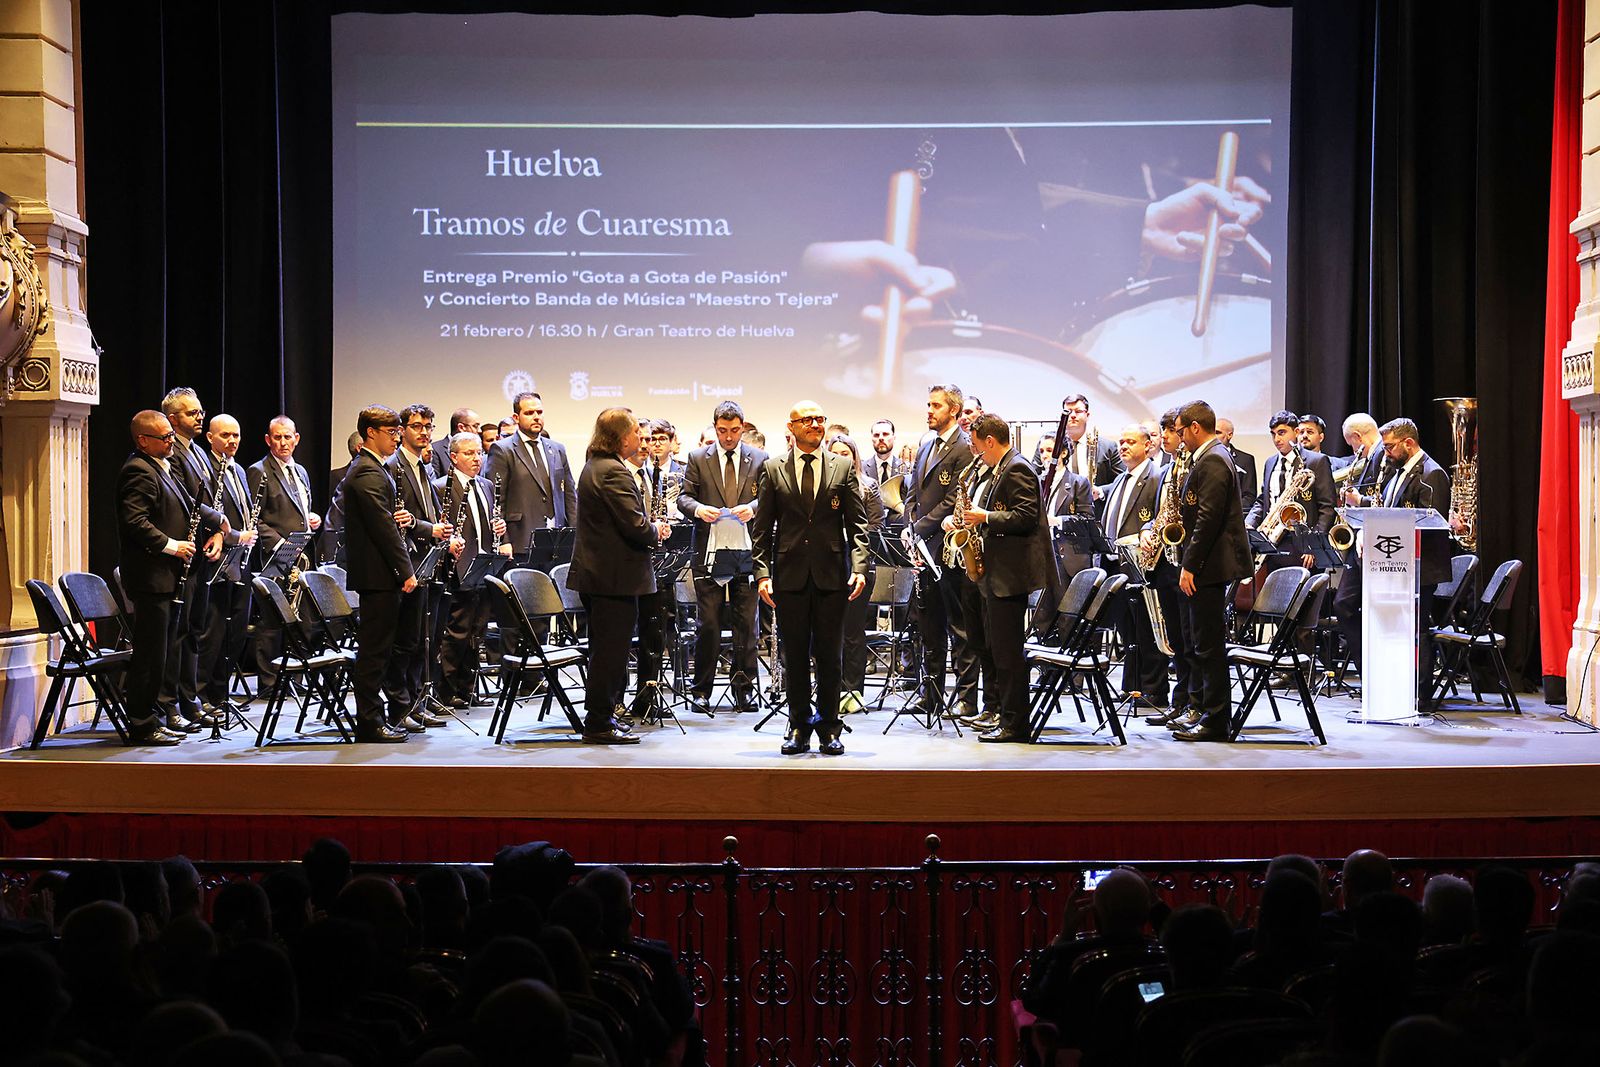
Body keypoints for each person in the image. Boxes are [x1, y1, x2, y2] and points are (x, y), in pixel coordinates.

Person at [752, 400, 870, 755]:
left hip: (832, 576)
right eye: (807, 420)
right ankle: (799, 726)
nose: (815, 425)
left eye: (820, 419)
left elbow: (858, 525)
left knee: (830, 655)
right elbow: (762, 531)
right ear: (792, 427)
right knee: (795, 657)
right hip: (789, 577)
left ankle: (830, 727)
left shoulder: (842, 466)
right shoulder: (772, 469)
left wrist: (859, 567)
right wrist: (762, 574)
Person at [116, 410, 226, 745]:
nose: (170, 442)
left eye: (169, 435)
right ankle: (141, 723)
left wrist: (218, 522)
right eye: (163, 437)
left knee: (163, 652)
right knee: (150, 655)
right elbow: (135, 521)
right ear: (142, 440)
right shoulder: (138, 469)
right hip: (152, 577)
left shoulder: (161, 465)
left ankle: (154, 718)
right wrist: (172, 545)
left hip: (168, 576)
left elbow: (188, 505)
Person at [567, 407, 669, 744]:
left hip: (602, 577)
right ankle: (599, 723)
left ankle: (604, 716)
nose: (642, 439)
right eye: (637, 433)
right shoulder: (613, 471)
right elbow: (635, 526)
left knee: (605, 650)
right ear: (622, 438)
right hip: (612, 579)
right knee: (610, 653)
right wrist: (656, 529)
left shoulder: (595, 465)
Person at [959, 415, 1050, 742]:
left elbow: (1026, 516)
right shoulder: (1005, 467)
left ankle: (1015, 724)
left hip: (1010, 577)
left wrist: (985, 517)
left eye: (976, 445)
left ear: (990, 441)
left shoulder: (1017, 468)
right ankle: (1006, 717)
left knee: (1008, 654)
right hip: (999, 575)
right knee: (1000, 651)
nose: (976, 452)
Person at [677, 400, 767, 712]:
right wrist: (699, 509)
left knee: (747, 624)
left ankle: (745, 688)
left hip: (747, 549)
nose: (728, 437)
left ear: (743, 427)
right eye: (722, 430)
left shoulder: (759, 458)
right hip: (709, 550)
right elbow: (684, 498)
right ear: (715, 428)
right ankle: (701, 689)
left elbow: (769, 497)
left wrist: (753, 507)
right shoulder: (698, 457)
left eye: (734, 430)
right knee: (709, 624)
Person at [1170, 400, 1252, 742]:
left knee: (1209, 644)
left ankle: (1216, 721)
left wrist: (1190, 565)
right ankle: (1205, 711)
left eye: (1180, 431)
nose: (1179, 438)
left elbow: (1208, 518)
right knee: (1200, 641)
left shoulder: (1214, 458)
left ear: (1194, 427)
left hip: (1210, 566)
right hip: (1207, 564)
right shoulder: (1208, 456)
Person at [342, 405, 418, 743]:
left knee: (382, 649)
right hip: (378, 576)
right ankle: (369, 723)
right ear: (370, 433)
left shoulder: (375, 468)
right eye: (391, 432)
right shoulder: (367, 472)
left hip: (380, 575)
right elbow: (383, 529)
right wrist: (406, 570)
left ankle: (376, 718)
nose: (397, 438)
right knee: (374, 652)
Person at [904, 384, 979, 718]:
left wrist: (920, 527)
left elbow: (954, 499)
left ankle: (966, 698)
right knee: (929, 626)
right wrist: (909, 527)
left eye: (936, 405)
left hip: (950, 550)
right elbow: (912, 494)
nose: (929, 410)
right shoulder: (925, 447)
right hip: (924, 549)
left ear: (954, 410)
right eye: (928, 404)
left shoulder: (964, 447)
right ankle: (931, 693)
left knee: (960, 627)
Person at [385, 403, 453, 731]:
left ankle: (415, 702)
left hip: (428, 563)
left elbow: (430, 515)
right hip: (407, 565)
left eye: (428, 427)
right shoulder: (393, 465)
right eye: (416, 426)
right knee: (405, 642)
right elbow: (397, 519)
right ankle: (399, 707)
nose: (424, 432)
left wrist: (446, 535)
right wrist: (430, 529)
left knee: (421, 640)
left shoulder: (422, 467)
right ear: (402, 431)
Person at [158, 388, 221, 731]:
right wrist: (220, 522)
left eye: (200, 412)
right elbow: (185, 501)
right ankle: (170, 705)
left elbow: (209, 498)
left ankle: (190, 699)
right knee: (178, 633)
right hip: (180, 556)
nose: (199, 417)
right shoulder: (173, 455)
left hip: (201, 553)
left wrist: (218, 534)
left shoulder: (197, 451)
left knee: (195, 630)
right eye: (191, 413)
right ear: (172, 419)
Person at [434, 432, 511, 709]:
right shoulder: (441, 486)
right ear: (454, 457)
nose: (476, 458)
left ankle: (468, 689)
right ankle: (445, 691)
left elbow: (487, 521)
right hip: (458, 567)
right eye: (469, 453)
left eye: (479, 453)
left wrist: (500, 529)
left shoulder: (486, 485)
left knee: (476, 631)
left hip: (483, 564)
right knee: (456, 632)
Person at [247, 416, 322, 689]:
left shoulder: (300, 471)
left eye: (287, 437)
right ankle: (269, 683)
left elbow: (300, 511)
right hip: (275, 557)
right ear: (268, 440)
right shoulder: (259, 471)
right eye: (277, 437)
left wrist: (312, 519)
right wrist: (279, 544)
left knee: (301, 618)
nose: (283, 442)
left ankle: (295, 678)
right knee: (272, 619)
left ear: (296, 439)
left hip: (302, 556)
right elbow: (253, 517)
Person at [1098, 424, 1167, 708]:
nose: (1124, 446)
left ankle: (1154, 690)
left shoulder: (1156, 477)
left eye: (1131, 442)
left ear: (1148, 445)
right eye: (1121, 441)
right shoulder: (1120, 479)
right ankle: (1132, 686)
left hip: (1142, 566)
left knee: (1146, 631)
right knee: (1128, 632)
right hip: (1116, 564)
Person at [197, 414, 258, 722]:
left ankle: (221, 694)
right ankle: (203, 696)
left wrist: (248, 535)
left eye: (236, 435)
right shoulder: (206, 468)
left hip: (240, 561)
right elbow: (210, 516)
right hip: (217, 560)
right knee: (213, 632)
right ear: (210, 437)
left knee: (235, 631)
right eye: (225, 435)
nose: (232, 440)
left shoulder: (238, 470)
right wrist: (235, 535)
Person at [1142, 409, 1198, 728]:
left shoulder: (1192, 468)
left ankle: (1193, 702)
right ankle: (1180, 701)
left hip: (1185, 563)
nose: (1163, 436)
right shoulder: (1166, 470)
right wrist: (1148, 530)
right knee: (1175, 636)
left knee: (1190, 637)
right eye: (1162, 430)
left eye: (1169, 431)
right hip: (1164, 561)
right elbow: (1158, 511)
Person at [828, 433, 886, 712]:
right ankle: (831, 689)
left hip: (858, 565)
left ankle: (852, 691)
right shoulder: (823, 486)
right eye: (835, 453)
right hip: (829, 565)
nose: (841, 458)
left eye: (846, 454)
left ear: (854, 457)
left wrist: (848, 533)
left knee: (853, 631)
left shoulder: (868, 486)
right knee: (830, 631)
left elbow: (876, 525)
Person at [485, 391, 577, 556]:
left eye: (539, 412)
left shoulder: (557, 449)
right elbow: (496, 500)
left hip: (558, 539)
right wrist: (503, 541)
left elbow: (569, 496)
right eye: (529, 413)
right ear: (516, 417)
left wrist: (575, 535)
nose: (536, 417)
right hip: (520, 540)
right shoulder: (502, 450)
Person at [1244, 409, 1337, 569]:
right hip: (1272, 543)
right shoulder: (1270, 462)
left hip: (1303, 548)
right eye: (1273, 434)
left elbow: (1327, 507)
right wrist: (1249, 523)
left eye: (1282, 433)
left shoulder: (1317, 461)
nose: (1277, 439)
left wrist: (1314, 545)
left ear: (1296, 432)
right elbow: (1263, 499)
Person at [1052, 393, 1124, 501]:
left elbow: (1123, 481)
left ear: (1087, 415)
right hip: (1060, 509)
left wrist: (1101, 491)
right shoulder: (1050, 446)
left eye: (1078, 411)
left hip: (1096, 508)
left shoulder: (1108, 447)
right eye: (1068, 411)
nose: (1072, 415)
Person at [868, 419, 909, 519]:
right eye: (876, 435)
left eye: (885, 434)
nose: (881, 438)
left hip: (899, 525)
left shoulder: (906, 469)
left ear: (894, 438)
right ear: (871, 439)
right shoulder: (862, 468)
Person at [1216, 417, 1258, 506]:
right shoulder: (1203, 459)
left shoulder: (1245, 460)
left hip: (1235, 513)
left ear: (1229, 435)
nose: (1214, 437)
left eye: (1217, 433)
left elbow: (1249, 496)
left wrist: (1229, 511)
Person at [430, 407, 481, 477]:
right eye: (475, 426)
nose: (480, 431)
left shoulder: (478, 449)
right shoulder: (435, 449)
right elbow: (434, 481)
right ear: (461, 427)